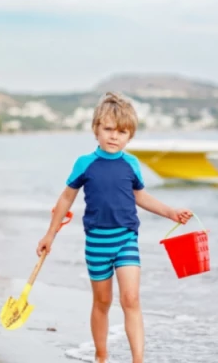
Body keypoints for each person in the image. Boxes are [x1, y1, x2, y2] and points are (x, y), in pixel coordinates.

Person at [36, 92, 193, 363]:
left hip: (125, 239)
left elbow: (139, 196)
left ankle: (138, 360)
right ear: (96, 129)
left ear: (130, 136)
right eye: (108, 129)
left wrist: (170, 212)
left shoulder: (130, 164)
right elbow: (66, 197)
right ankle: (101, 356)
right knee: (103, 301)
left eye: (122, 132)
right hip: (97, 242)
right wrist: (50, 233)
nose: (114, 136)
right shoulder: (85, 164)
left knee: (130, 299)